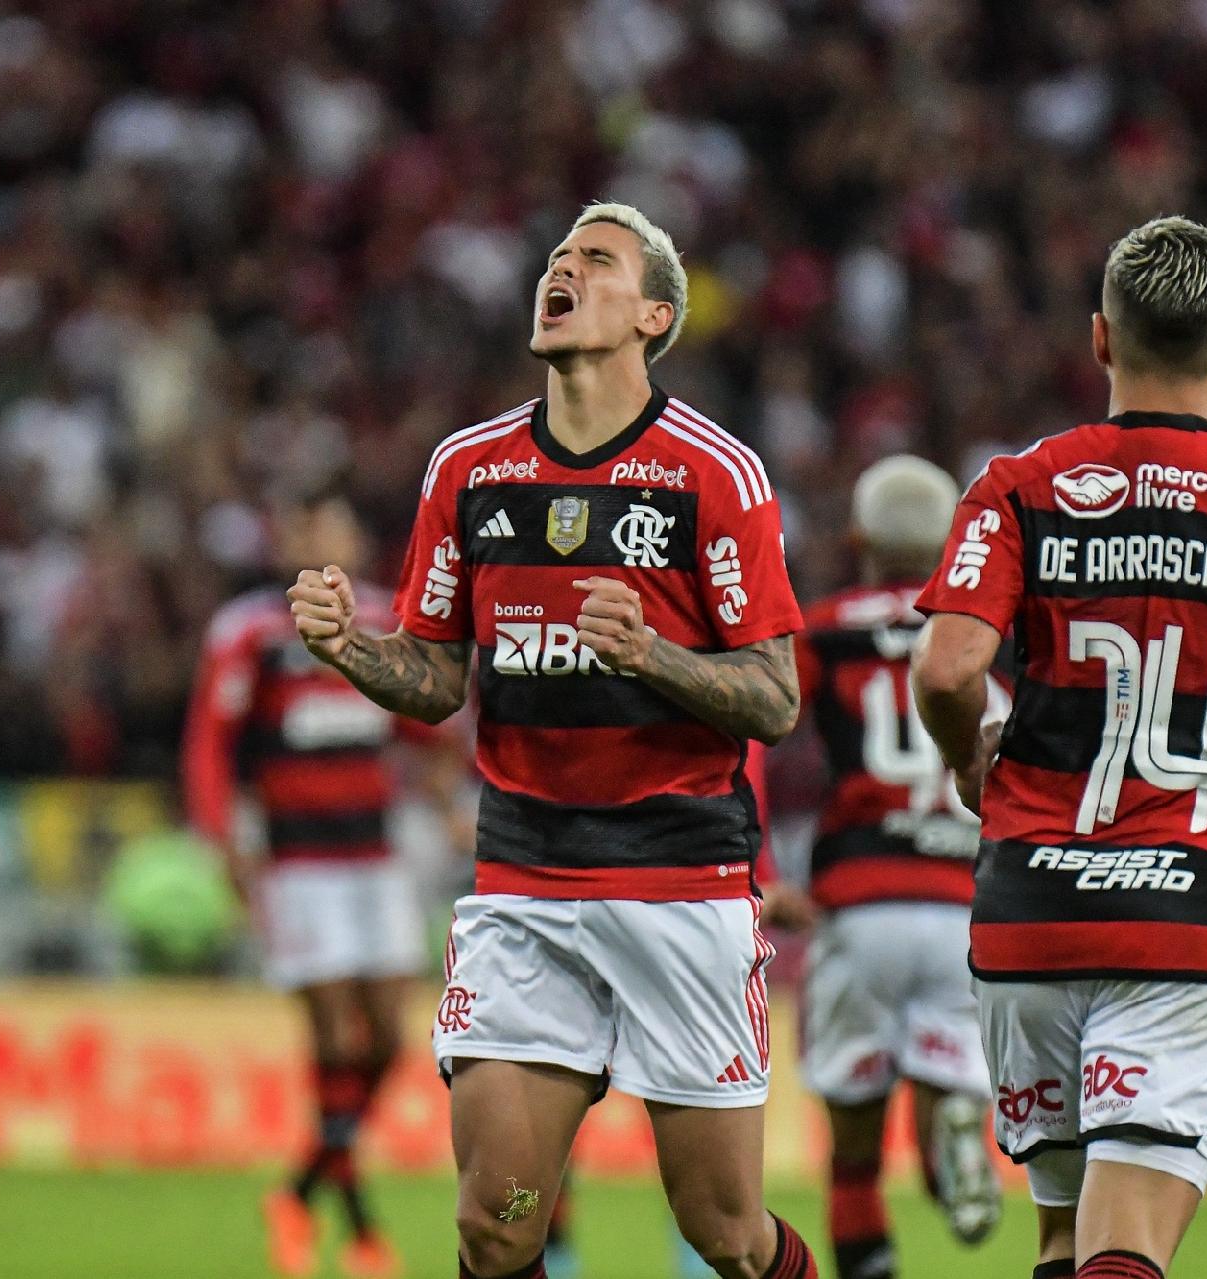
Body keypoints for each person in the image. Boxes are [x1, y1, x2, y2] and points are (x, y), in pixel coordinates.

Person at [288, 202, 819, 1279]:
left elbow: (776, 696)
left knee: (726, 1232)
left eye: (598, 261)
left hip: (682, 886)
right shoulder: (470, 469)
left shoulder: (713, 472)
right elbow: (437, 680)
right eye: (557, 258)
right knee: (496, 1225)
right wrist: (352, 648)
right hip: (524, 883)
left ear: (653, 315)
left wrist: (653, 656)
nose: (562, 271)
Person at [909, 216, 1207, 1279]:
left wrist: (965, 757)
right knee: (1124, 1248)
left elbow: (946, 670)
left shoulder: (1021, 487)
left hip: (1031, 908)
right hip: (1187, 920)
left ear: (1099, 340)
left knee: (1064, 1236)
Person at [186, 488, 456, 1279]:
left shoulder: (385, 618)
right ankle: (361, 1227)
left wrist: (441, 779)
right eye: (312, 524)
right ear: (292, 537)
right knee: (339, 1039)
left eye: (339, 525)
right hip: (297, 865)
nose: (325, 539)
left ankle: (301, 1192)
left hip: (375, 858)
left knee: (389, 1044)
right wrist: (224, 840)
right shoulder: (252, 631)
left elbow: (418, 719)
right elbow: (210, 744)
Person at [792, 455, 1006, 1279]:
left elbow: (765, 724)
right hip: (961, 903)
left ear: (859, 538)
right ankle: (956, 1120)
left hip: (861, 895)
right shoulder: (982, 635)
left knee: (852, 1153)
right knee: (941, 1105)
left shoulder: (826, 628)